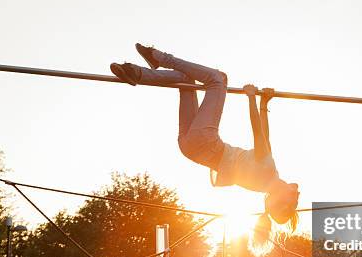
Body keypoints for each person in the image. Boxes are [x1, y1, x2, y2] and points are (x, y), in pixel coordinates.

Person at [110, 44, 300, 237]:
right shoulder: (260, 185)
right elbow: (264, 138)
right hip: (189, 148)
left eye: (295, 195)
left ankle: (159, 57)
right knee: (186, 81)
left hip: (205, 141)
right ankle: (136, 73)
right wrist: (264, 104)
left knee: (218, 79)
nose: (296, 188)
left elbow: (258, 133)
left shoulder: (267, 171)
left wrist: (251, 98)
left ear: (283, 197)